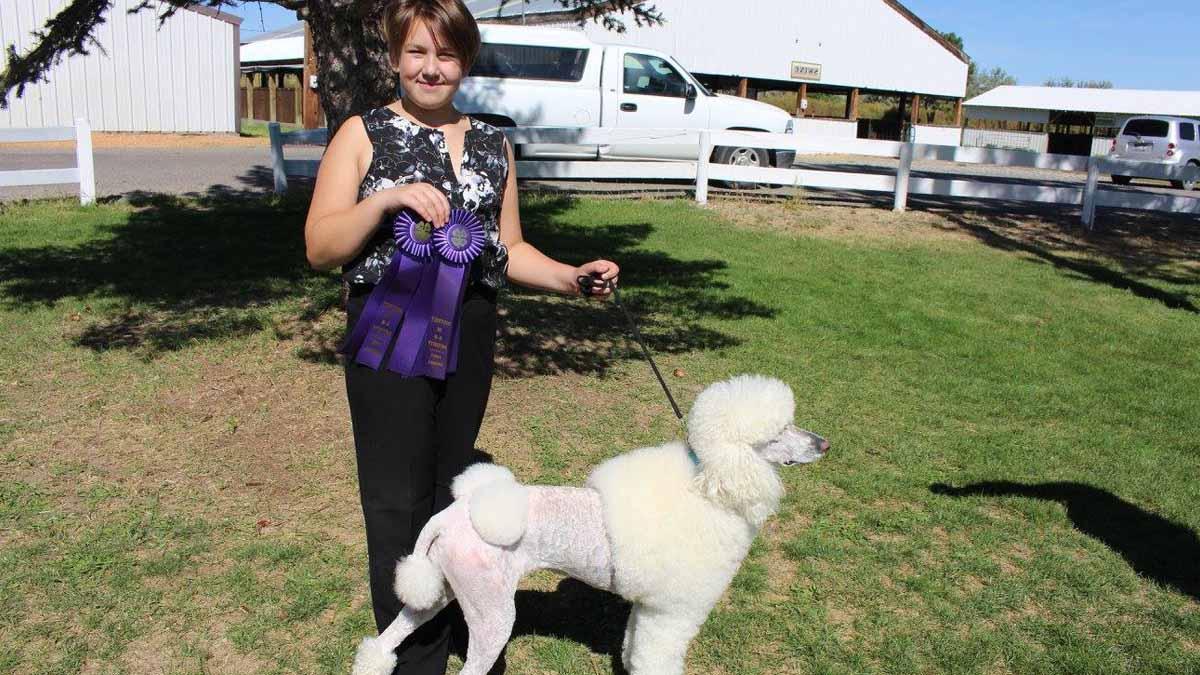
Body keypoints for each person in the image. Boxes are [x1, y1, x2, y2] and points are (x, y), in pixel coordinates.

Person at [303, 1, 619, 672]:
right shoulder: (363, 133)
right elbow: (319, 245)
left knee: (455, 497)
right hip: (389, 329)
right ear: (394, 56)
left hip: (468, 331)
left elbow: (508, 248)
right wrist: (385, 200)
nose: (430, 67)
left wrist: (571, 278)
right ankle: (413, 656)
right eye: (417, 52)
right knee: (396, 499)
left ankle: (469, 634)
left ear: (465, 62)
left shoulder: (491, 144)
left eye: (446, 54)